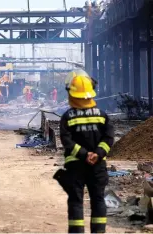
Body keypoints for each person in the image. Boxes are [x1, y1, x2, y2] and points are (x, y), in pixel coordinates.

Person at [55, 69, 114, 233]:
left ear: (71, 94)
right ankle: (99, 231)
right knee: (98, 200)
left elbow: (66, 141)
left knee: (75, 201)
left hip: (75, 166)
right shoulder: (102, 116)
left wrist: (83, 154)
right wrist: (97, 154)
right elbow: (109, 139)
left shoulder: (68, 117)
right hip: (98, 166)